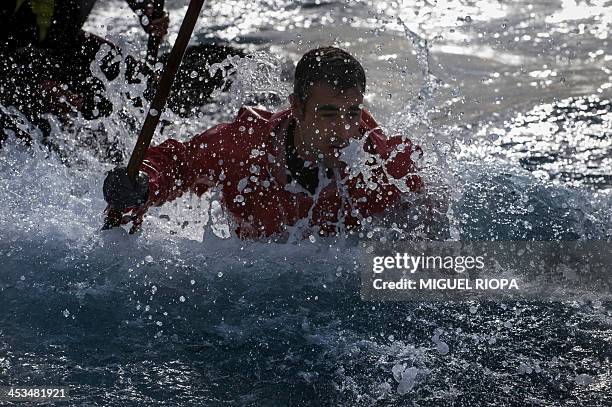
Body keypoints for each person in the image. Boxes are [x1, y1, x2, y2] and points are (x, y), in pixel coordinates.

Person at [104, 47, 428, 239]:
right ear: (297, 108)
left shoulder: (382, 162)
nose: (344, 131)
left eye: (352, 113)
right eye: (328, 114)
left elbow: (429, 228)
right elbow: (178, 162)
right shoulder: (242, 146)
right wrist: (142, 183)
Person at [0, 0, 169, 120]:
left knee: (140, 81)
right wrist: (36, 82)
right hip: (13, 62)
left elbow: (144, 7)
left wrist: (149, 13)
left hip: (64, 45)